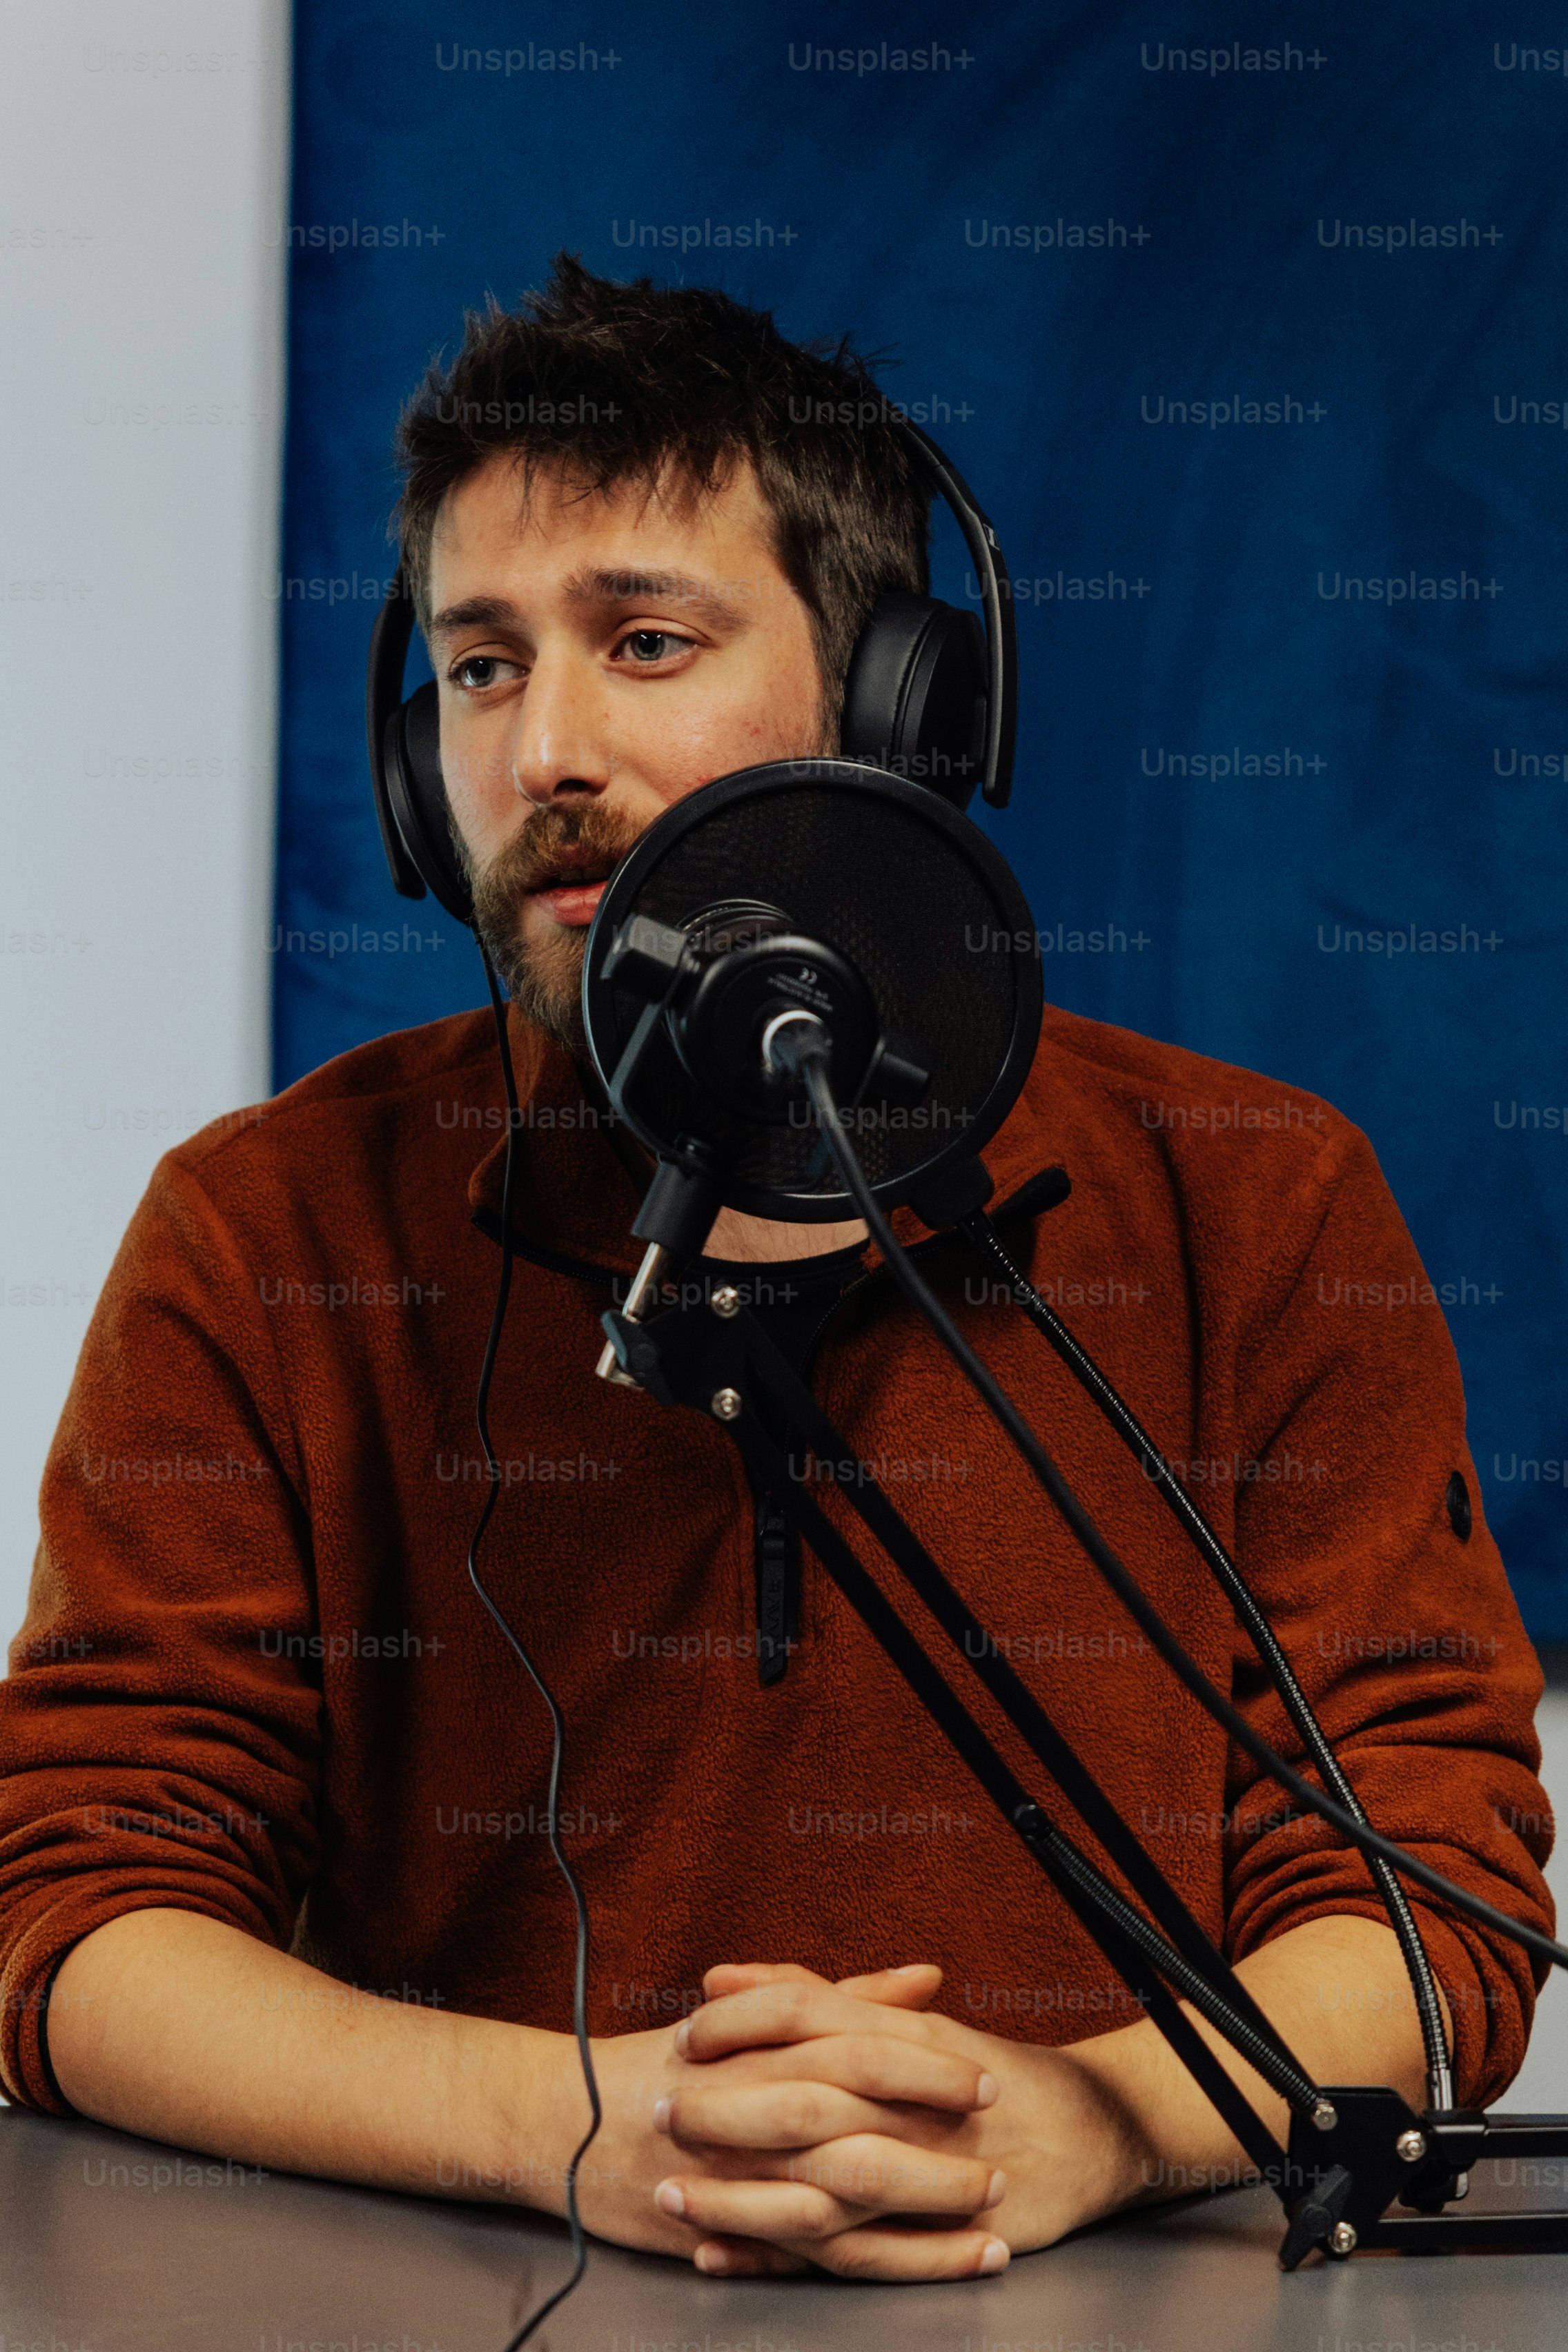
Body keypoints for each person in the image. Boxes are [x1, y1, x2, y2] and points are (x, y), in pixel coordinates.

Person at [0, 257, 1552, 2285]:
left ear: (897, 703)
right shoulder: (268, 1231)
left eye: (644, 641)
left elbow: (1434, 1896)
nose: (547, 742)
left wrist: (1089, 2126)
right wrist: (575, 2125)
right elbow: (72, 1911)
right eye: (478, 666)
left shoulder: (1261, 1204)